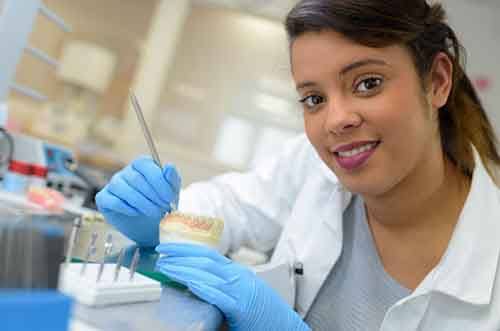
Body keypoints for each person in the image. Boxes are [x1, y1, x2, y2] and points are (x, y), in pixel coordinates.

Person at [95, 0, 500, 330]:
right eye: (314, 99)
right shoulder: (313, 167)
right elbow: (229, 206)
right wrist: (161, 219)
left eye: (368, 83)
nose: (336, 119)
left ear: (437, 82)